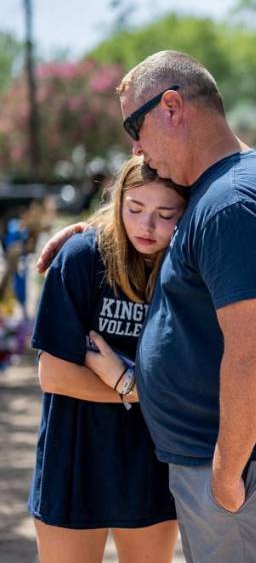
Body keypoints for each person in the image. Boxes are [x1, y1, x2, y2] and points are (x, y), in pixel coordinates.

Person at [38, 50, 256, 562]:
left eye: (134, 125)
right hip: (220, 459)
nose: (134, 146)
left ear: (171, 106)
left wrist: (226, 472)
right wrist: (95, 234)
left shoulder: (232, 201)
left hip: (239, 465)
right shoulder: (220, 191)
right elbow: (173, 244)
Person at [30, 156, 185, 562]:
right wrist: (136, 390)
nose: (146, 226)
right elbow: (55, 375)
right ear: (117, 202)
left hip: (148, 462)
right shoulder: (82, 258)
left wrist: (123, 379)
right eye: (134, 209)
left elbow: (192, 378)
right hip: (74, 458)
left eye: (164, 214)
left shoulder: (186, 271)